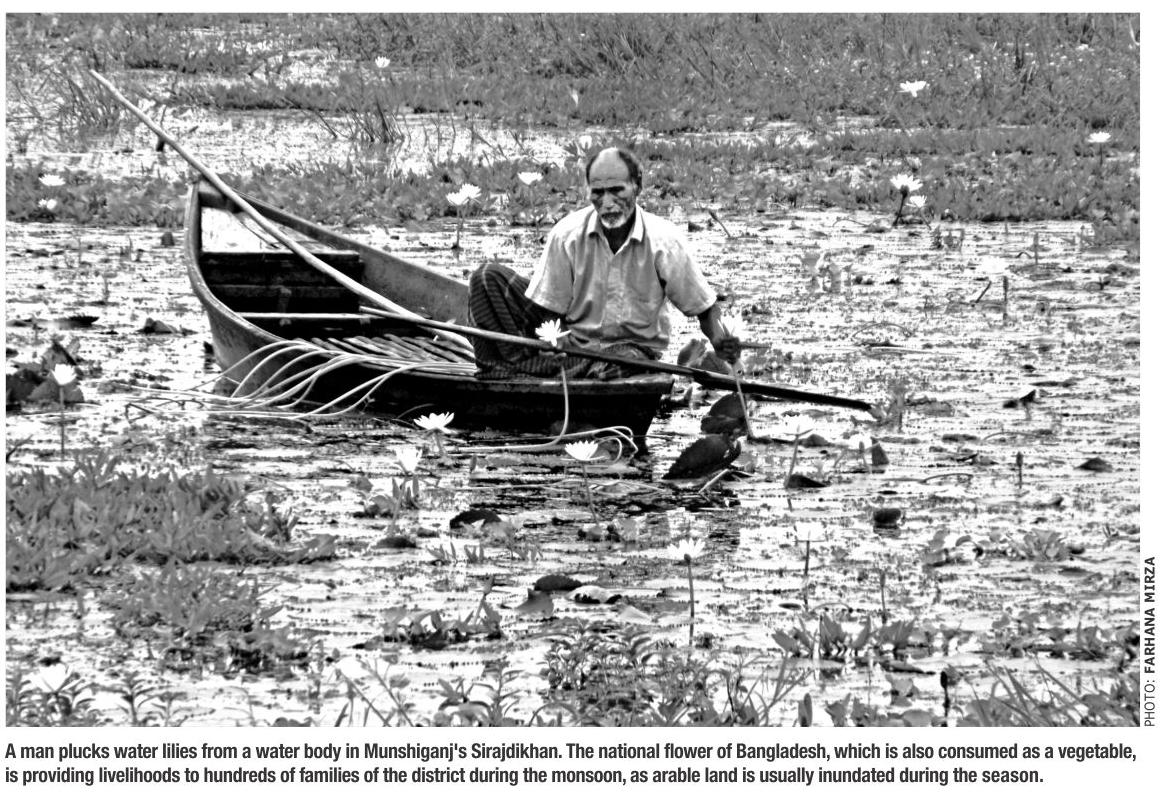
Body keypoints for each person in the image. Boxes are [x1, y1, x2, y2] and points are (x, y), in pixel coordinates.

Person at [467, 146, 741, 379]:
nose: (608, 203)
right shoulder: (567, 235)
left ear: (637, 186)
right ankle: (524, 368)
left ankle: (545, 369)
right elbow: (550, 309)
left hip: (630, 350)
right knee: (487, 278)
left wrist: (721, 342)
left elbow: (704, 309)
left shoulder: (664, 242)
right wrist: (556, 341)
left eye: (617, 191)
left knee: (619, 364)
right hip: (574, 343)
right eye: (598, 193)